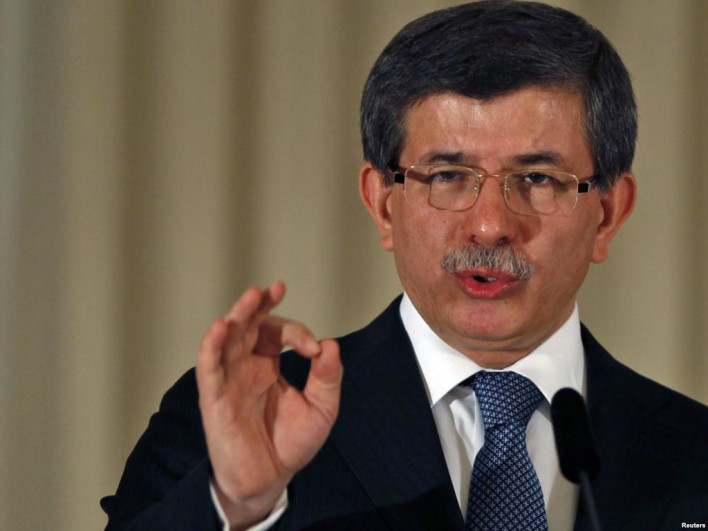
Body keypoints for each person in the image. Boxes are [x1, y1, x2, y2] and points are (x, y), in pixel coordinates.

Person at [102, 1, 708, 529]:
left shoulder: (694, 454)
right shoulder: (242, 423)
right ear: (382, 205)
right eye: (446, 176)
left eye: (538, 179)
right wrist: (237, 506)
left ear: (607, 214)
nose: (490, 225)